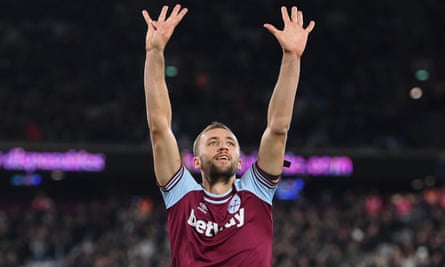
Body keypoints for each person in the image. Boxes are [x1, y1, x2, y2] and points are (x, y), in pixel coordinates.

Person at [142, 3, 314, 266]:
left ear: (240, 161)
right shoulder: (182, 194)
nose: (223, 147)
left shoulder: (256, 190)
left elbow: (278, 129)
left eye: (230, 143)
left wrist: (292, 58)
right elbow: (159, 128)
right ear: (196, 162)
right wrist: (155, 51)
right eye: (212, 142)